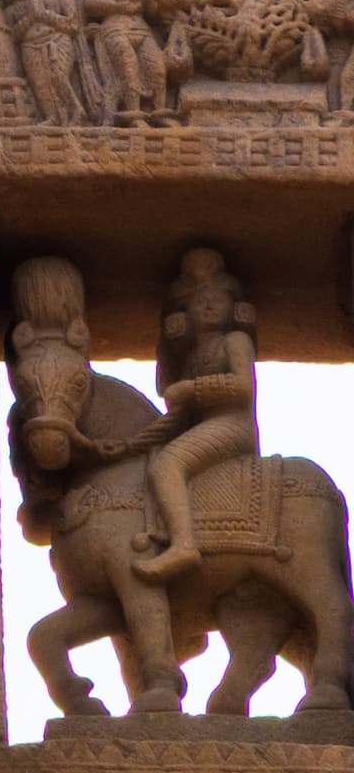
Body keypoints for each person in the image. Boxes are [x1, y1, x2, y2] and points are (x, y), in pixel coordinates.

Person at [143, 250, 259, 583]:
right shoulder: (192, 353)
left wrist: (193, 390)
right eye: (198, 302)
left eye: (216, 299)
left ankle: (183, 544)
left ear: (234, 307)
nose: (208, 305)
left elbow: (242, 387)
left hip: (232, 426)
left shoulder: (235, 341)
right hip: (204, 425)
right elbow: (166, 388)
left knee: (167, 464)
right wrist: (169, 343)